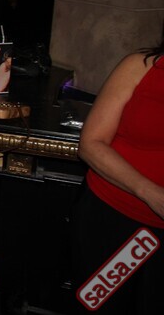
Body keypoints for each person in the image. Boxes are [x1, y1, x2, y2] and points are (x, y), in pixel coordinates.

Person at [71, 23, 164, 314]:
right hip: (116, 220)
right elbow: (91, 144)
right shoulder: (141, 67)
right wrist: (151, 193)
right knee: (103, 307)